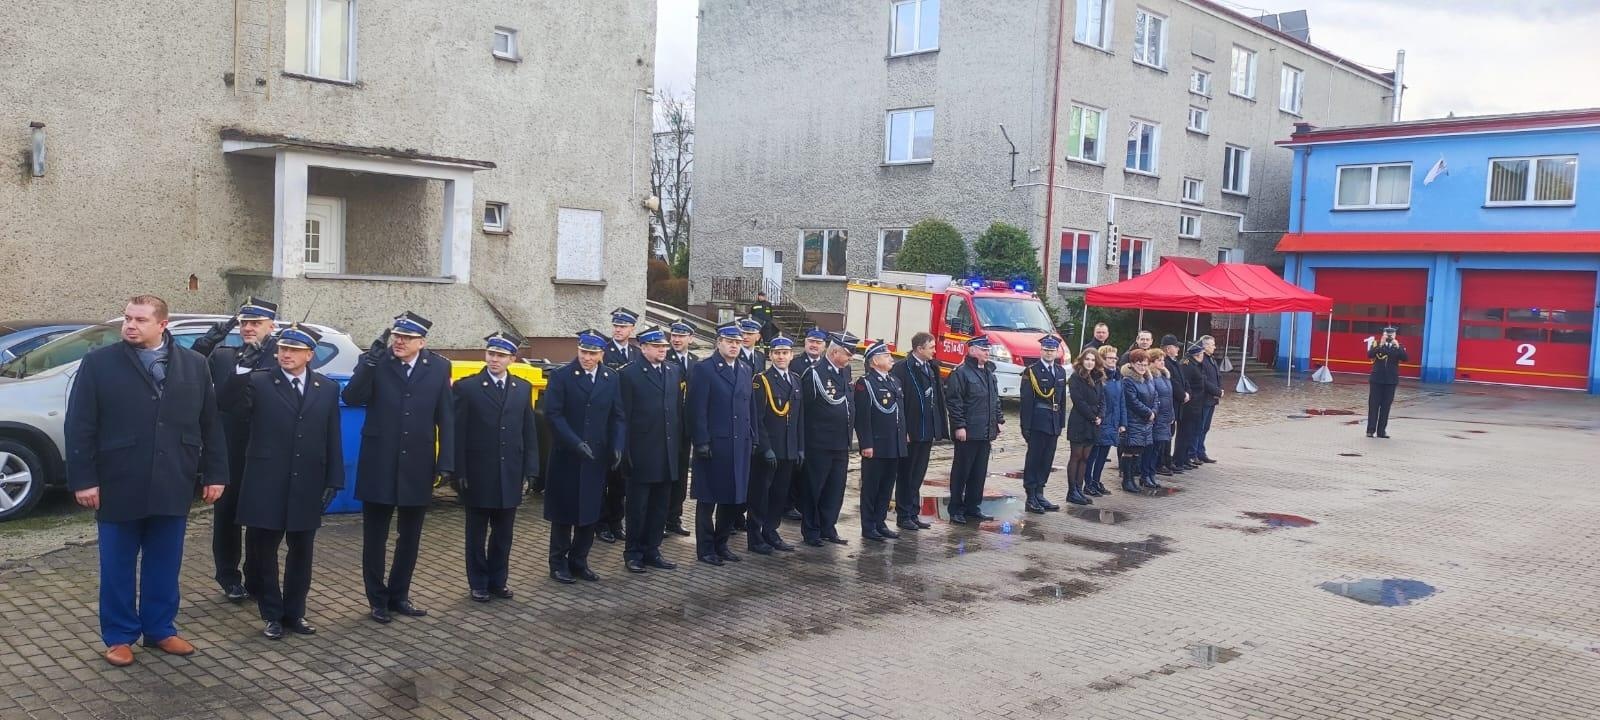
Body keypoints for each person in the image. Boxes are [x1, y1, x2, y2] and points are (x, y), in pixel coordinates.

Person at [65, 295, 228, 666]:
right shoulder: (99, 364)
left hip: (174, 479)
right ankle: (120, 636)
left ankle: (160, 629)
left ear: (162, 325)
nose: (130, 326)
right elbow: (79, 425)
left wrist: (216, 473)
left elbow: (210, 425)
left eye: (139, 319)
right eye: (127, 318)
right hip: (118, 479)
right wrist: (84, 480)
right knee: (117, 565)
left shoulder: (194, 365)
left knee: (165, 562)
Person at [219, 323, 343, 640]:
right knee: (264, 553)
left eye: (294, 350)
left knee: (302, 552)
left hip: (307, 483)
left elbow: (332, 437)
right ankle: (272, 614)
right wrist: (243, 367)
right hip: (266, 481)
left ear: (309, 355)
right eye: (282, 349)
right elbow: (228, 404)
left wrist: (334, 480)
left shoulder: (326, 388)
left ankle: (295, 613)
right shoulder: (260, 382)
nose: (286, 354)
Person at [342, 311, 455, 624]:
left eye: (406, 337)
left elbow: (446, 417)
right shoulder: (378, 362)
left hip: (417, 464)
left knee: (410, 536)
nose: (399, 342)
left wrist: (446, 461)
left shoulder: (439, 367)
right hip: (379, 461)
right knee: (375, 536)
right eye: (396, 336)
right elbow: (351, 396)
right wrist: (368, 363)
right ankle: (377, 600)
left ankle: (399, 595)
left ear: (422, 341)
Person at [191, 297, 280, 603]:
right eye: (244, 323)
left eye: (256, 323)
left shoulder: (282, 354)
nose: (248, 328)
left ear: (272, 326)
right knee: (227, 516)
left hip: (265, 448)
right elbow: (189, 371)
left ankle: (257, 575)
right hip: (230, 446)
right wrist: (208, 341)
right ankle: (228, 576)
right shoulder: (226, 356)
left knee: (259, 516)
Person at [452, 332, 540, 601]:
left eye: (501, 355)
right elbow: (458, 433)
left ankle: (497, 580)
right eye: (491, 354)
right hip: (479, 472)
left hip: (510, 472)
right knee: (476, 534)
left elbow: (528, 432)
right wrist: (459, 472)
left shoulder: (521, 388)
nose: (494, 360)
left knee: (504, 534)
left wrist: (531, 469)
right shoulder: (467, 388)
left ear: (512, 358)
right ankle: (478, 582)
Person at [543, 330, 626, 584]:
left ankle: (579, 561)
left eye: (592, 353)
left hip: (596, 457)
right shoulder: (561, 376)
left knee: (589, 511)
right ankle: (558, 563)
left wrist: (617, 445)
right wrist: (574, 442)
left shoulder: (610, 378)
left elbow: (618, 415)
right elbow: (553, 414)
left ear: (602, 354)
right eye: (583, 352)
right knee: (563, 512)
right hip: (567, 456)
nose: (587, 358)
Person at [687, 322, 757, 565]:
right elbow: (697, 409)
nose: (735, 346)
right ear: (719, 343)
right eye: (730, 342)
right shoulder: (704, 369)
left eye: (738, 342)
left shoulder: (746, 370)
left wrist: (753, 436)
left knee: (733, 497)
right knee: (708, 499)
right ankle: (706, 549)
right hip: (714, 445)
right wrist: (701, 441)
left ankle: (722, 543)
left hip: (740, 445)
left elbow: (750, 408)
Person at [618, 326, 684, 572]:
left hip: (666, 451)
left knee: (659, 506)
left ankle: (652, 549)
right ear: (643, 348)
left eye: (664, 346)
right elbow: (622, 416)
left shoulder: (672, 371)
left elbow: (676, 412)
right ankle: (633, 552)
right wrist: (625, 452)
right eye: (657, 347)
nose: (662, 350)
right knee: (638, 507)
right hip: (641, 452)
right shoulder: (630, 375)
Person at [798, 331, 857, 546]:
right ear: (834, 352)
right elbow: (805, 410)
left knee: (835, 488)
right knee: (815, 487)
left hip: (840, 442)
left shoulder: (844, 371)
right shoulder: (814, 374)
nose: (850, 359)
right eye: (847, 354)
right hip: (819, 442)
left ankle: (827, 526)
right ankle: (811, 530)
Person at [751, 335, 804, 552]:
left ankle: (771, 532)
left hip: (789, 449)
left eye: (785, 353)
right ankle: (755, 538)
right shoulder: (761, 380)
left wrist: (800, 446)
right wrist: (765, 448)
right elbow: (757, 418)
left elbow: (800, 418)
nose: (781, 357)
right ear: (770, 355)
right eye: (777, 353)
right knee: (761, 494)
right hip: (769, 449)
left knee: (779, 495)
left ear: (792, 355)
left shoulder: (796, 379)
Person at [890, 331, 947, 532]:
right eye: (931, 347)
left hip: (927, 429)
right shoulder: (902, 368)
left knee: (918, 474)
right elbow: (898, 402)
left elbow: (937, 397)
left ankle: (913, 512)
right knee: (906, 474)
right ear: (919, 348)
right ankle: (903, 514)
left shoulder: (931, 367)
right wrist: (902, 429)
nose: (935, 350)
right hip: (911, 430)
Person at [853, 340, 907, 541]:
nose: (890, 359)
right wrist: (866, 443)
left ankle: (880, 521)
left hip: (893, 443)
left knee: (886, 486)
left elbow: (899, 413)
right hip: (876, 444)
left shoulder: (894, 381)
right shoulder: (865, 383)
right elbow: (863, 417)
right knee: (871, 487)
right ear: (875, 361)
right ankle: (868, 526)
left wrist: (903, 436)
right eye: (886, 356)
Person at [945, 335, 1002, 524]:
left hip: (985, 432)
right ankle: (955, 508)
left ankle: (973, 506)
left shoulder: (988, 373)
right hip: (968, 431)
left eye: (988, 349)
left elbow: (994, 399)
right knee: (962, 472)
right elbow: (954, 402)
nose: (987, 352)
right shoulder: (961, 373)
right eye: (983, 349)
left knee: (979, 472)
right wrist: (959, 426)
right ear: (972, 350)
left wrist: (998, 419)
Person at [598, 307, 640, 543]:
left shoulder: (635, 353)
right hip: (607, 422)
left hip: (628, 425)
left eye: (623, 327)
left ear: (632, 329)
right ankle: (601, 523)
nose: (618, 330)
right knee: (604, 478)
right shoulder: (604, 351)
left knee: (620, 481)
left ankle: (616, 522)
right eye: (615, 326)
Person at [785, 326, 829, 522]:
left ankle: (804, 504)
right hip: (797, 420)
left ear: (824, 346)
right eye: (811, 341)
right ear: (805, 343)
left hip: (817, 426)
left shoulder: (826, 365)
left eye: (818, 342)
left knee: (810, 468)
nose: (814, 345)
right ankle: (788, 504)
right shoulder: (795, 364)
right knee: (795, 467)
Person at [1020, 336, 1066, 514]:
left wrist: (1061, 423)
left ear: (1056, 352)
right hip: (1038, 421)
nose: (1049, 353)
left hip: (1053, 422)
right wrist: (1026, 426)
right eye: (1046, 350)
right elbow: (1026, 401)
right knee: (1034, 459)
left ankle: (1040, 492)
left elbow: (1061, 400)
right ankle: (1031, 495)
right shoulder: (1032, 371)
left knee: (1047, 459)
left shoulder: (1060, 371)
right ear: (1041, 351)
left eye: (1052, 350)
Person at [664, 318, 699, 536]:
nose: (676, 340)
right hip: (668, 427)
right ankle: (661, 518)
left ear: (691, 338)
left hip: (686, 428)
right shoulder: (664, 359)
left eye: (681, 336)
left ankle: (674, 517)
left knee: (680, 475)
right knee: (666, 473)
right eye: (674, 335)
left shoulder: (695, 362)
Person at [1064, 348, 1103, 507]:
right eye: (1087, 359)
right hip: (1080, 421)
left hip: (1094, 423)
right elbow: (1079, 402)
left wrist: (1101, 415)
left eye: (1093, 360)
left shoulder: (1098, 377)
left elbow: (1102, 399)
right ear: (1082, 360)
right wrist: (1093, 417)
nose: (1090, 362)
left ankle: (1079, 489)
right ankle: (1072, 490)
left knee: (1086, 457)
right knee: (1076, 456)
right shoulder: (1075, 378)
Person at [1085, 345, 1124, 497]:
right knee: (1093, 454)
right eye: (1110, 358)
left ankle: (1096, 480)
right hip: (1101, 420)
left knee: (1103, 455)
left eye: (1115, 358)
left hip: (1113, 421)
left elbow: (1121, 402)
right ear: (1102, 359)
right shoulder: (1099, 377)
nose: (1113, 361)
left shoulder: (1117, 377)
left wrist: (1122, 422)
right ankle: (1088, 482)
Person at [1119, 351, 1158, 493]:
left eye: (1145, 364)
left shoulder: (1148, 378)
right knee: (1130, 450)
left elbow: (1155, 396)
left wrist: (1154, 411)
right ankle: (1127, 480)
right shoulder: (1127, 381)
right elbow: (1132, 401)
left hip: (1146, 421)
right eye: (1139, 364)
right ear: (1132, 364)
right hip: (1133, 420)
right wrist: (1148, 413)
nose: (1142, 367)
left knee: (1138, 451)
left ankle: (1133, 479)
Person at [1366, 326, 1407, 439]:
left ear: (1395, 335)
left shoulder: (1399, 346)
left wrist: (1397, 345)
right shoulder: (1377, 344)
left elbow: (1405, 358)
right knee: (1373, 406)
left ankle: (1381, 431)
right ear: (1383, 334)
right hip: (1376, 380)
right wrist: (1381, 344)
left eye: (1391, 334)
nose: (1389, 336)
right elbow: (1370, 355)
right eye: (1387, 334)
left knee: (1386, 407)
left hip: (1390, 381)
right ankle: (1370, 430)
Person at [1158, 335, 1190, 476]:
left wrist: (1187, 392)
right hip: (1170, 402)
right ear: (1168, 348)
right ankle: (1161, 462)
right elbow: (1173, 382)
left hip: (1177, 403)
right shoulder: (1166, 363)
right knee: (1166, 434)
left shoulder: (1175, 362)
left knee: (1170, 432)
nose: (1178, 349)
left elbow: (1183, 379)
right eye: (1175, 346)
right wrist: (1182, 395)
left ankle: (1167, 460)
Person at [1143, 348, 1174, 490]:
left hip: (1165, 417)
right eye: (1158, 360)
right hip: (1157, 417)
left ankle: (1152, 474)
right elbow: (1153, 397)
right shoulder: (1151, 377)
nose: (1162, 363)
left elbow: (1169, 398)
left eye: (1163, 360)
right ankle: (1146, 474)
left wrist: (1171, 415)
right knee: (1151, 448)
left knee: (1158, 448)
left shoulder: (1164, 376)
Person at [1175, 344, 1208, 470]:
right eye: (1202, 354)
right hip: (1190, 405)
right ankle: (1180, 459)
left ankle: (1185, 458)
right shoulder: (1188, 365)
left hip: (1196, 404)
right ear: (1198, 355)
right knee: (1184, 433)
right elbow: (1185, 383)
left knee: (1190, 433)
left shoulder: (1195, 364)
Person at [1192, 335, 1223, 464]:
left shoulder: (1211, 359)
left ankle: (1201, 451)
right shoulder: (1202, 360)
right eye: (1211, 344)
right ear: (1204, 346)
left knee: (1205, 427)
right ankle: (1194, 453)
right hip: (1203, 399)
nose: (1214, 347)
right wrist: (1216, 391)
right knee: (1199, 427)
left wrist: (1219, 390)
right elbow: (1203, 380)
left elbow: (1216, 377)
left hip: (1211, 399)